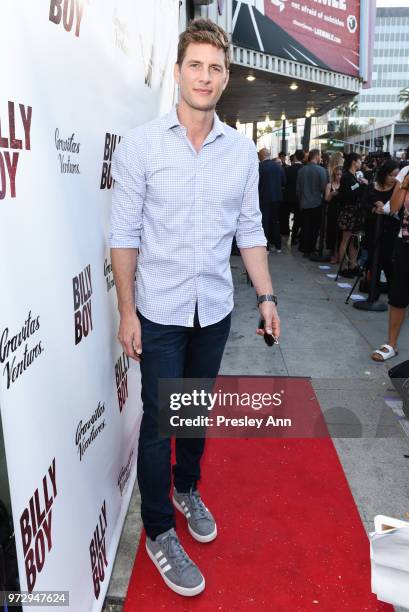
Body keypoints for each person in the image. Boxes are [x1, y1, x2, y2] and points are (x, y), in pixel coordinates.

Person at [109, 18, 280, 597]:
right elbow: (124, 234)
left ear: (226, 78)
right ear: (179, 72)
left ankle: (187, 490)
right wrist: (127, 311)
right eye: (195, 65)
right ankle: (158, 529)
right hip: (156, 311)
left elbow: (250, 231)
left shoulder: (240, 154)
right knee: (159, 427)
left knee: (190, 414)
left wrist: (266, 296)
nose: (204, 76)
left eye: (215, 68)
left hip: (213, 310)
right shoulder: (141, 145)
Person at [371, 162, 409, 362]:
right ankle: (391, 344)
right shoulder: (406, 172)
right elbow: (394, 208)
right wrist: (404, 185)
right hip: (406, 241)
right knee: (398, 294)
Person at [364, 159, 400, 294]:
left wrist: (388, 210)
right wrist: (374, 208)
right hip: (373, 227)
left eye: (396, 175)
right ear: (384, 173)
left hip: (390, 229)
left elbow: (400, 210)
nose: (393, 178)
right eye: (391, 175)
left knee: (388, 260)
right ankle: (374, 288)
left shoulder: (398, 189)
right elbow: (364, 204)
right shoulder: (372, 186)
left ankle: (393, 289)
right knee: (373, 259)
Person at [337, 153, 368, 277]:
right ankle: (343, 266)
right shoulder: (346, 177)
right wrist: (361, 185)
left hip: (356, 211)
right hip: (349, 211)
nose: (361, 163)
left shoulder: (354, 176)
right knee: (346, 239)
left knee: (354, 240)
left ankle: (353, 264)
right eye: (360, 160)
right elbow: (350, 192)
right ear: (354, 162)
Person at [296, 149, 328, 257]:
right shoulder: (321, 170)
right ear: (317, 156)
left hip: (304, 203)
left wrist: (301, 201)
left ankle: (305, 248)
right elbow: (324, 188)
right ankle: (311, 248)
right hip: (316, 203)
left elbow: (298, 189)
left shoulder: (301, 170)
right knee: (314, 228)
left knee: (305, 226)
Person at [259, 147, 286, 252]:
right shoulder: (279, 166)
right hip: (277, 198)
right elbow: (284, 181)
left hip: (264, 198)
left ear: (261, 156)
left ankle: (266, 247)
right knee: (275, 221)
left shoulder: (260, 167)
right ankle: (278, 245)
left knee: (264, 222)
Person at [284, 149, 304, 245]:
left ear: (295, 157)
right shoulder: (303, 169)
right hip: (298, 197)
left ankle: (286, 230)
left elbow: (284, 182)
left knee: (286, 214)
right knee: (298, 218)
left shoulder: (288, 169)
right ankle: (294, 237)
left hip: (288, 196)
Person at [325, 164, 343, 264]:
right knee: (332, 232)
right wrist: (332, 194)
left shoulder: (345, 185)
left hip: (342, 211)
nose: (339, 176)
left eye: (340, 175)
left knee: (341, 234)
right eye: (337, 174)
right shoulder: (329, 185)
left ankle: (340, 255)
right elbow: (326, 199)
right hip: (332, 211)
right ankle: (333, 254)